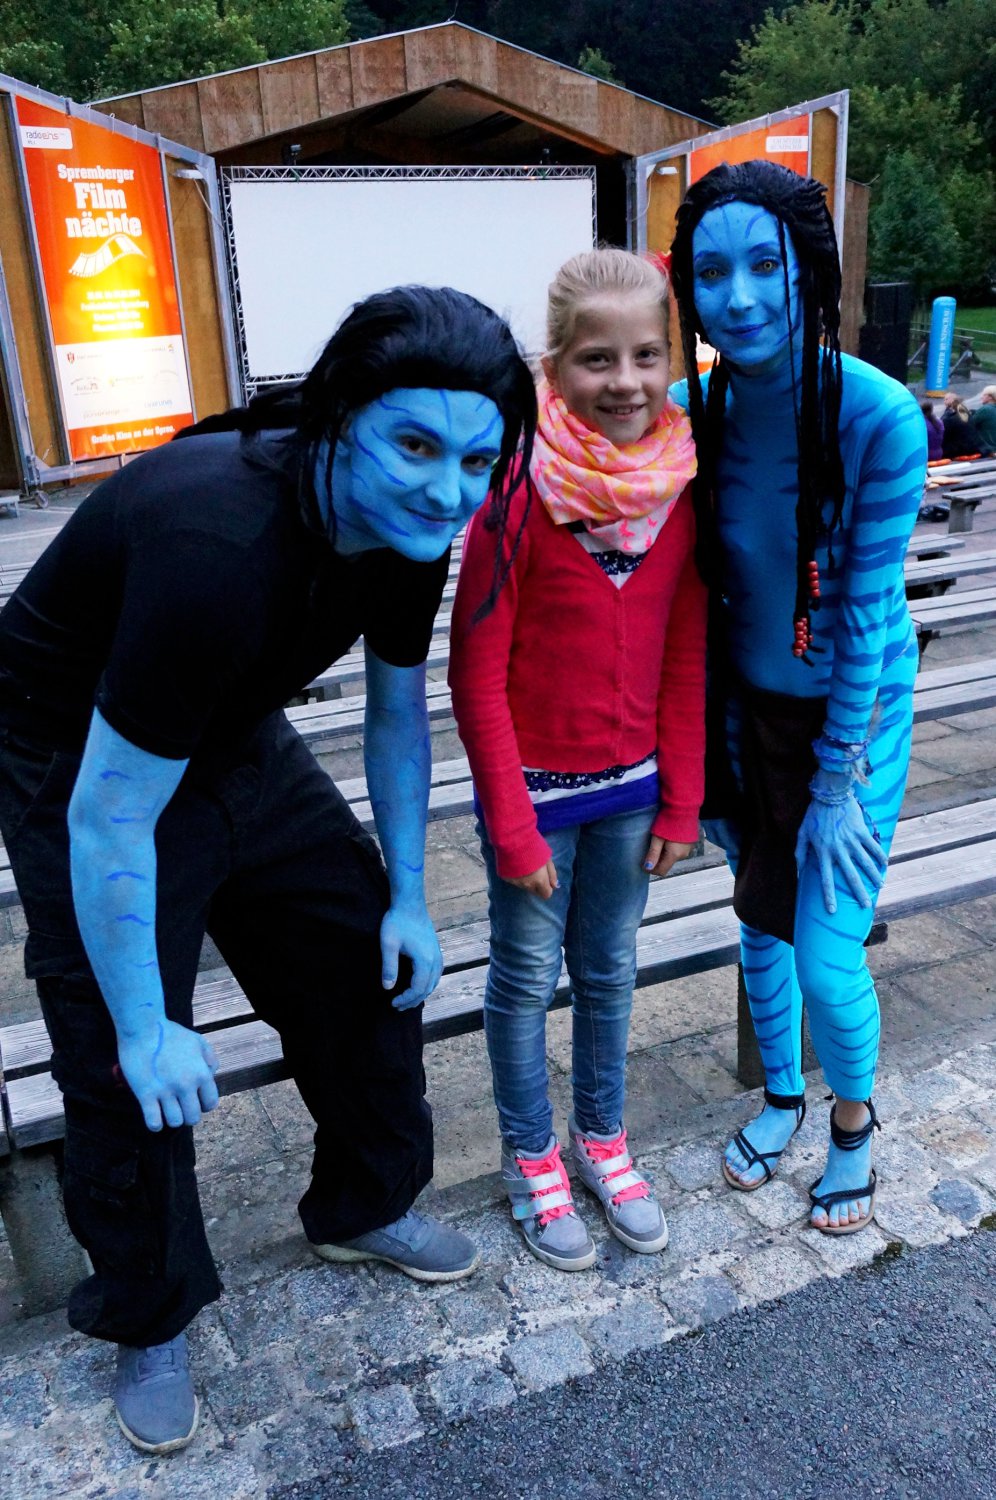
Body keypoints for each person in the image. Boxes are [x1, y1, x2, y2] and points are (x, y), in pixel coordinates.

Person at [0, 285, 536, 1452]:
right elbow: (108, 819)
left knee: (365, 958)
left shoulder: (413, 527)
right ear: (339, 418)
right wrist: (147, 1026)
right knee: (124, 1055)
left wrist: (410, 897)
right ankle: (150, 1309)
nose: (448, 489)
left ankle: (363, 1205)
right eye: (414, 446)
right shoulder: (218, 544)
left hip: (231, 721)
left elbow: (396, 716)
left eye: (476, 459)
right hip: (73, 746)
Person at [669, 161, 926, 1236]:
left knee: (826, 951)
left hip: (852, 720)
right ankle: (780, 1099)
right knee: (758, 921)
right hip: (742, 713)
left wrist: (835, 786)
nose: (736, 298)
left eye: (763, 266)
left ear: (807, 271)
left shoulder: (878, 416)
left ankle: (853, 1127)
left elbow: (864, 615)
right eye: (709, 272)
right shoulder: (689, 412)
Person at [449, 249, 706, 1271]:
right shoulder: (515, 497)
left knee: (608, 972)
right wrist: (512, 828)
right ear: (553, 369)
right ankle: (531, 1157)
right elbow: (476, 677)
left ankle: (603, 1138)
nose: (627, 381)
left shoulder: (681, 493)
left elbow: (685, 655)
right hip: (537, 803)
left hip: (632, 796)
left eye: (647, 356)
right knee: (523, 980)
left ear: (672, 360)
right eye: (598, 359)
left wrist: (682, 801)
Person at [972, 385, 996, 451]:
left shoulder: (985, 409)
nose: (981, 397)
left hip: (988, 450)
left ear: (990, 397)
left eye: (984, 395)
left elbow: (969, 424)